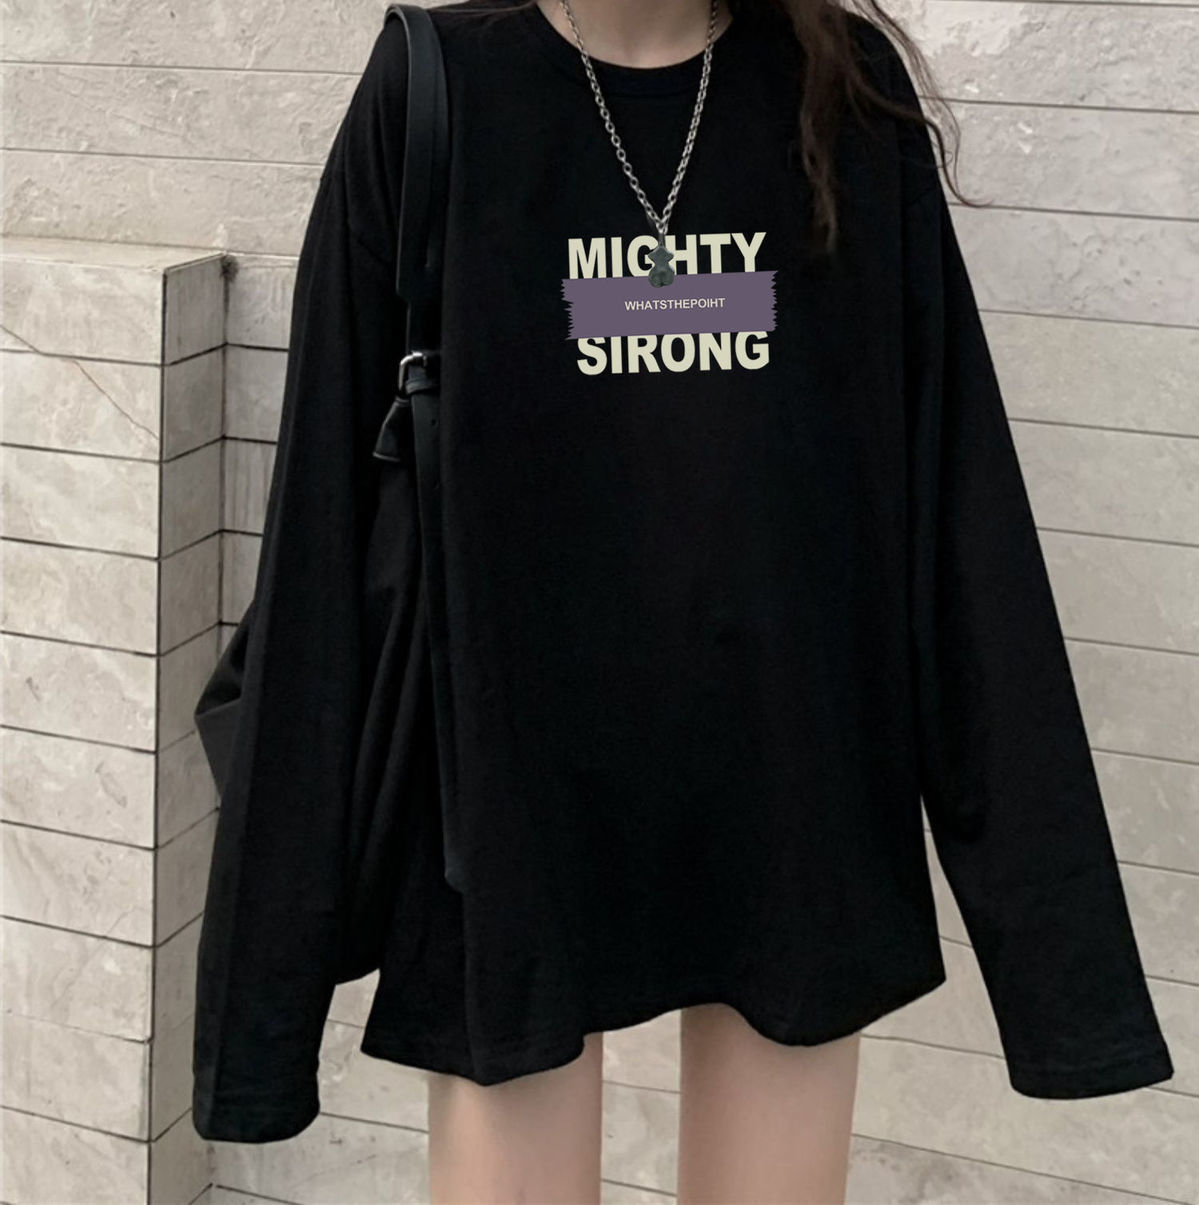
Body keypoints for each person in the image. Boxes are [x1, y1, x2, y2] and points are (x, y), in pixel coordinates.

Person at [190, 0, 1174, 1200]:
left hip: (790, 795)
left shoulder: (840, 90)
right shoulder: (438, 86)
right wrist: (265, 1000)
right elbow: (321, 520)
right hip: (503, 808)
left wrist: (1060, 973)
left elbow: (957, 512)